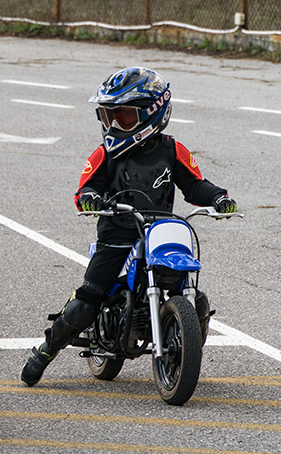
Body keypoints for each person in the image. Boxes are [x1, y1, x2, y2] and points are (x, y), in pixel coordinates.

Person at [20, 67, 238, 386]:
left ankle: (182, 352)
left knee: (197, 299)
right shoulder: (105, 154)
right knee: (86, 301)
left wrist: (219, 197)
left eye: (122, 116)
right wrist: (92, 198)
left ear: (152, 114)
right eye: (108, 116)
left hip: (161, 235)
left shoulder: (172, 150)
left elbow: (194, 185)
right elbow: (85, 191)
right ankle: (45, 351)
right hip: (117, 236)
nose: (113, 124)